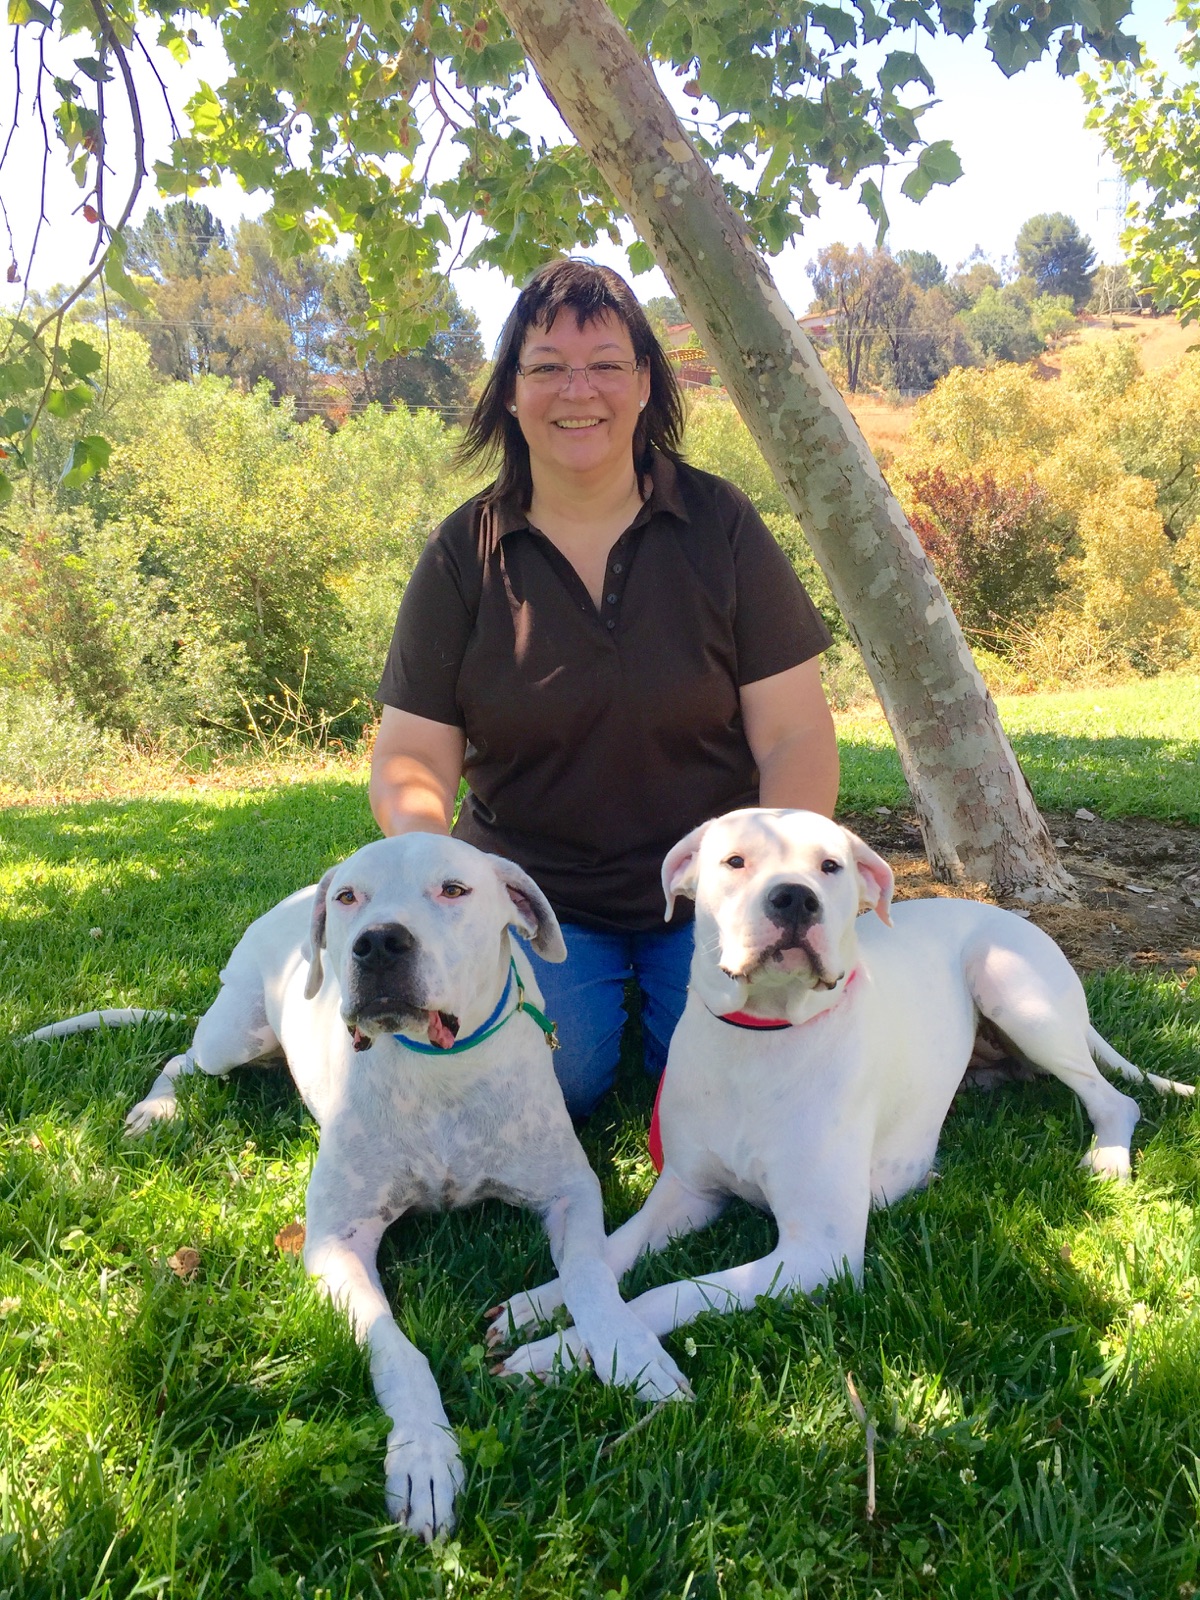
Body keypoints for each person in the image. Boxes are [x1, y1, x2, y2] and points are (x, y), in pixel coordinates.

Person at [370, 259, 839, 1118]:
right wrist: (434, 887)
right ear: (511, 391)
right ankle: (591, 1007)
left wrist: (770, 885)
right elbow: (411, 755)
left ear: (644, 383)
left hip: (708, 890)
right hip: (541, 897)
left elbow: (795, 735)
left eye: (606, 364)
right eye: (546, 365)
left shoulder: (720, 524)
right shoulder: (461, 553)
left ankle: (664, 1001)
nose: (576, 390)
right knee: (560, 1079)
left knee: (724, 1086)